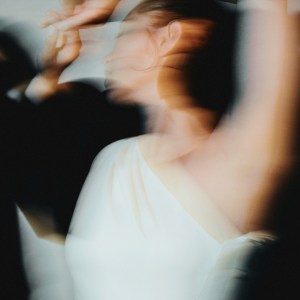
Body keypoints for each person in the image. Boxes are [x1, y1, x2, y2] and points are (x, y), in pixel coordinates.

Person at [20, 0, 299, 299]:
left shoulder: (231, 165)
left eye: (125, 34)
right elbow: (33, 190)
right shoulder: (114, 156)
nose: (109, 56)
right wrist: (49, 76)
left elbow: (269, 20)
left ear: (170, 36)